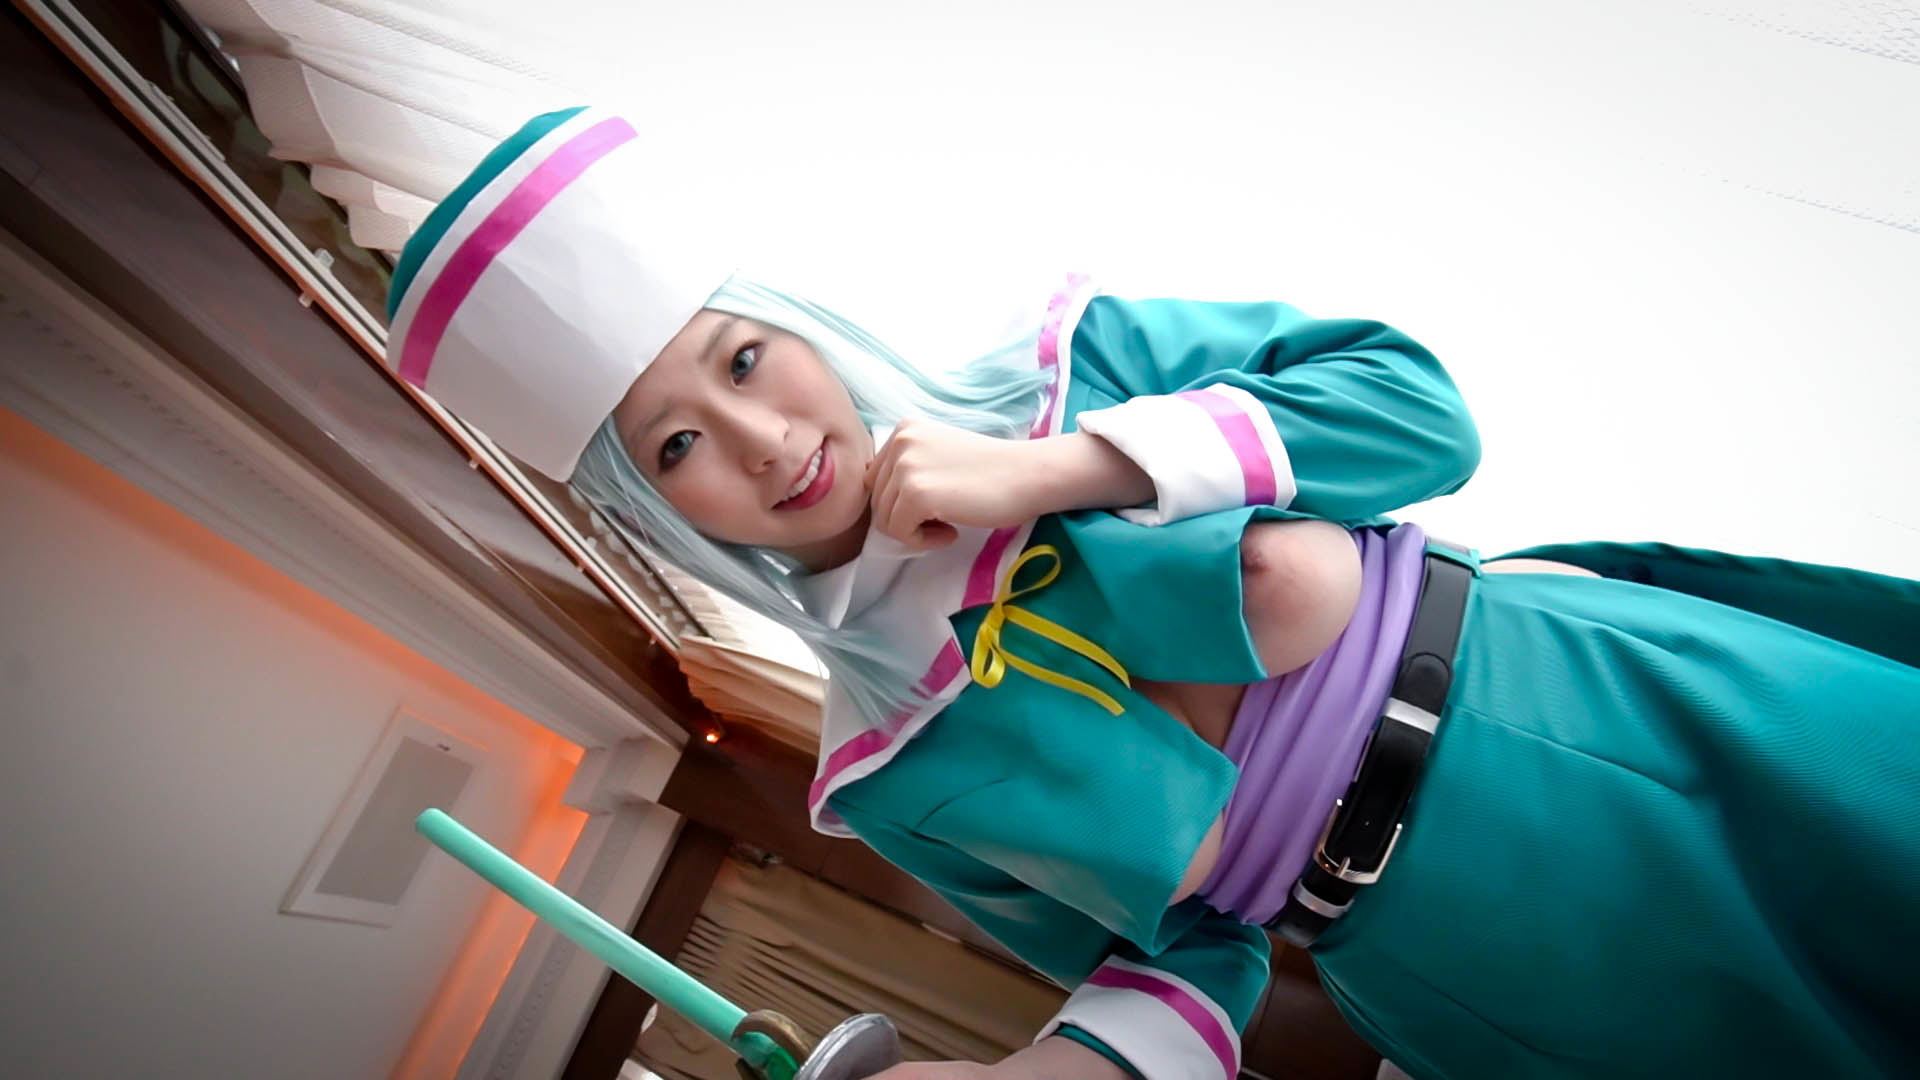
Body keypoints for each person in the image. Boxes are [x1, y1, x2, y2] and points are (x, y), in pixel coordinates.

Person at [386, 106, 1920, 1080]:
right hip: (1464, 949)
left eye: (744, 360)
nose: (764, 439)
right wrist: (1049, 1072)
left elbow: (1420, 415)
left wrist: (1052, 470)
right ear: (647, 506)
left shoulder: (1081, 361)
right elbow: (1177, 956)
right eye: (676, 445)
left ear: (797, 324)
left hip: (1587, 685)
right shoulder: (884, 772)